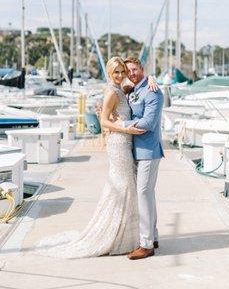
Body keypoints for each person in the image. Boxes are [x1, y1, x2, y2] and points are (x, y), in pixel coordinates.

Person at [36, 57, 146, 258]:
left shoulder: (122, 89)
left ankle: (126, 235)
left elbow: (139, 82)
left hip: (126, 141)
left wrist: (152, 79)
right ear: (110, 73)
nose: (121, 75)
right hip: (118, 143)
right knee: (122, 187)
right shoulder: (112, 92)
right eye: (117, 72)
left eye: (122, 71)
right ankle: (112, 236)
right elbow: (104, 122)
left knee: (126, 187)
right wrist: (124, 126)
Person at [123, 56, 164, 260]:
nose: (131, 73)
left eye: (134, 69)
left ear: (141, 68)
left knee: (143, 195)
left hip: (149, 150)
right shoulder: (133, 90)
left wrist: (122, 125)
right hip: (137, 151)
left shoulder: (152, 90)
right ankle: (153, 237)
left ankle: (146, 244)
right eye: (128, 70)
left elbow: (148, 122)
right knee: (148, 195)